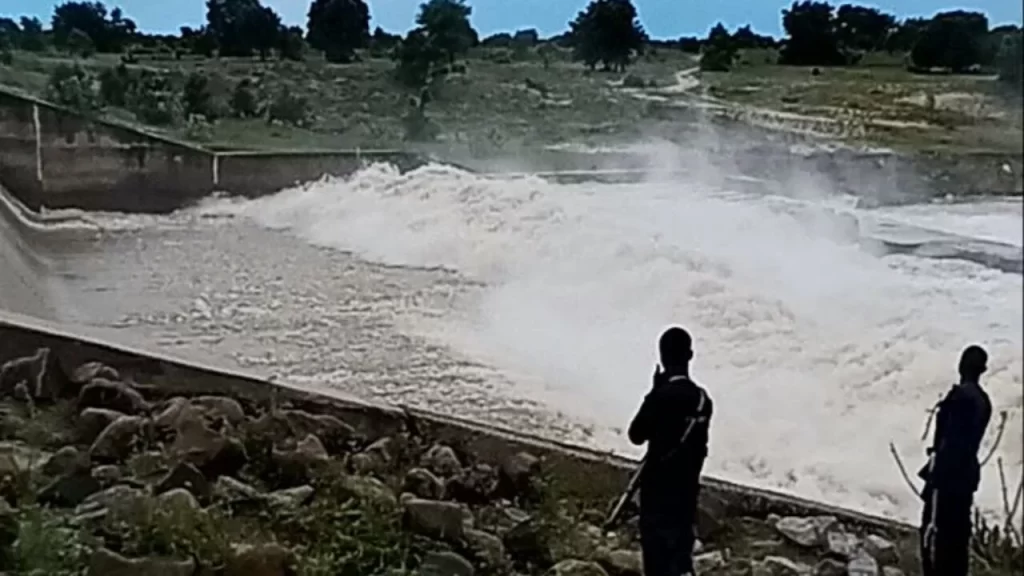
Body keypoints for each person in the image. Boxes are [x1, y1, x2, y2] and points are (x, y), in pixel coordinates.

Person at [627, 327, 713, 576]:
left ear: (662, 357)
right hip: (686, 494)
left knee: (656, 561)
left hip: (657, 494)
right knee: (680, 561)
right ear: (690, 355)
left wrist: (654, 393)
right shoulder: (703, 401)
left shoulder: (660, 397)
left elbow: (636, 434)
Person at [918, 345, 993, 576]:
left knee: (933, 538)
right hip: (966, 476)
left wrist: (936, 479)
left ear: (960, 366)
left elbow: (950, 442)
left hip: (947, 478)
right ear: (984, 370)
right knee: (958, 539)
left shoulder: (959, 397)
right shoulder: (984, 401)